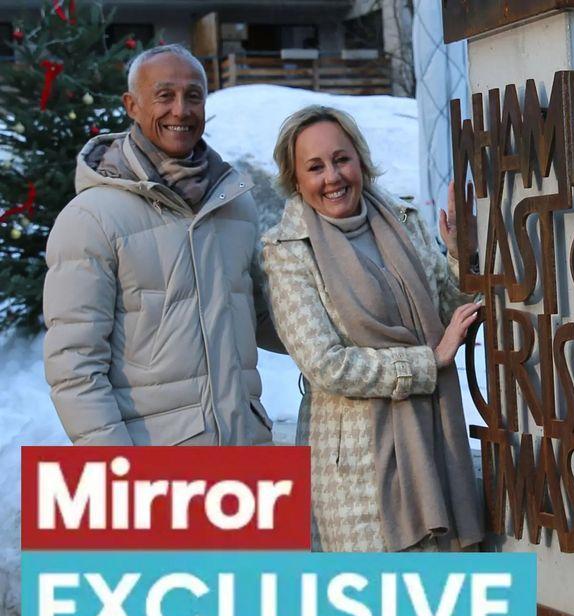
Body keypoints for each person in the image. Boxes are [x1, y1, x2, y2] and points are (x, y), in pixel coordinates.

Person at [261, 105, 483, 552]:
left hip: (435, 442)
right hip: (357, 471)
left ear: (360, 159)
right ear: (295, 179)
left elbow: (447, 315)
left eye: (341, 159)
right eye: (315, 167)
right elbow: (326, 364)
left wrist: (460, 255)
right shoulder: (287, 251)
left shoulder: (402, 221)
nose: (332, 177)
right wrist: (427, 362)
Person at [43, 44, 283, 446]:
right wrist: (117, 467)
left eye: (193, 96)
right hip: (155, 459)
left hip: (245, 448)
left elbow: (261, 316)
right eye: (164, 95)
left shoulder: (234, 205)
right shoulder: (91, 217)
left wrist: (356, 327)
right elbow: (74, 367)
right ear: (132, 105)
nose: (180, 110)